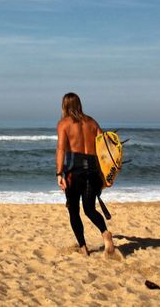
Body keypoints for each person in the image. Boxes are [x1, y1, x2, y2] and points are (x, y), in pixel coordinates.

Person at [56, 92, 118, 257]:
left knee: (74, 211)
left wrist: (59, 173)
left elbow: (61, 149)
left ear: (65, 106)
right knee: (90, 209)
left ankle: (83, 248)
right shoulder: (92, 123)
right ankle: (105, 233)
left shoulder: (64, 124)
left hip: (73, 172)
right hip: (93, 171)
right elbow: (104, 148)